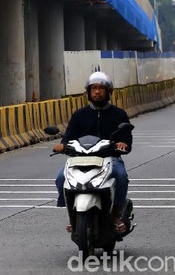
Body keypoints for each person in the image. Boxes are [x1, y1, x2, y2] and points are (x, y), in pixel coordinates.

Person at [53, 71, 132, 233]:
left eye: (101, 89)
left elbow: (126, 138)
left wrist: (123, 144)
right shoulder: (79, 115)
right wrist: (62, 145)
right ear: (88, 92)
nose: (97, 92)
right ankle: (72, 217)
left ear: (109, 92)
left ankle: (116, 214)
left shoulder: (119, 114)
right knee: (61, 176)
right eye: (94, 88)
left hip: (109, 157)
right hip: (81, 158)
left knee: (121, 175)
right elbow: (68, 137)